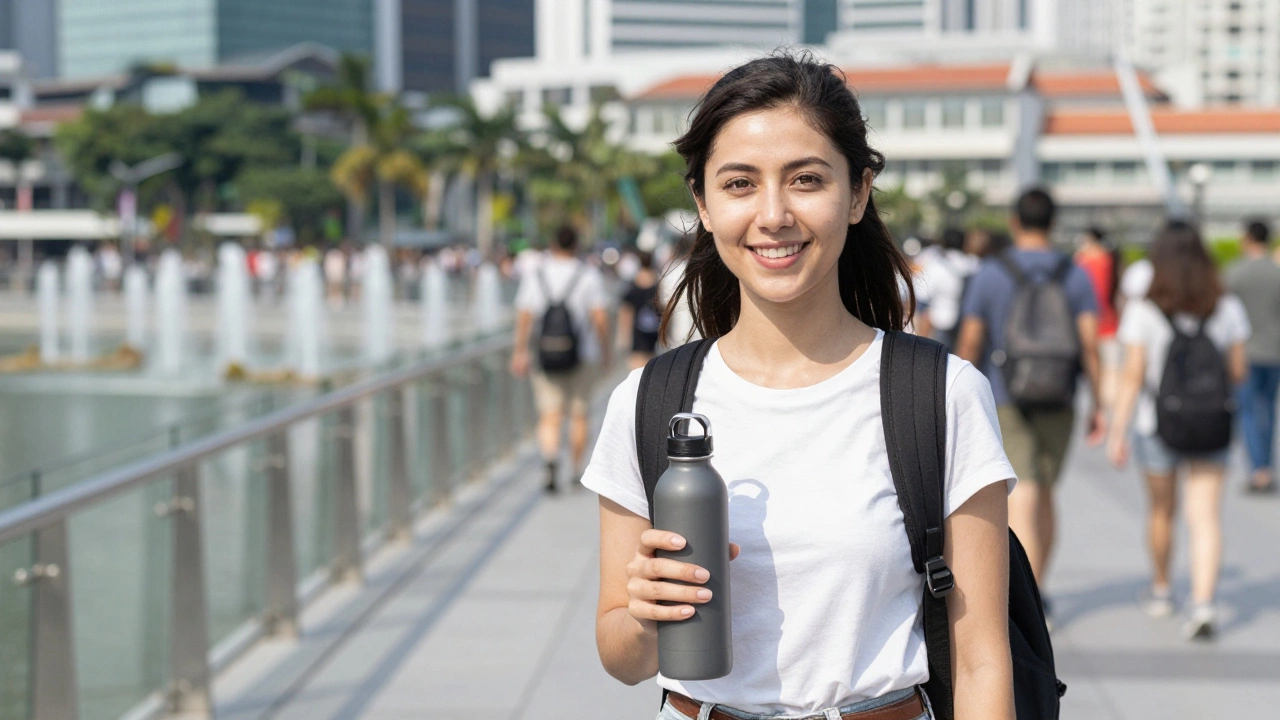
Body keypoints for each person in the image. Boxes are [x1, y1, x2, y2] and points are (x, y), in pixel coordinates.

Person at [583, 54, 1016, 720]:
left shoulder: (940, 394)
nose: (774, 214)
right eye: (740, 184)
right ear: (702, 202)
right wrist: (644, 614)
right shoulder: (649, 401)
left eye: (807, 179)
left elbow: (982, 657)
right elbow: (621, 658)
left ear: (858, 192)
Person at [955, 187, 1104, 613]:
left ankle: (1029, 600)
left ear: (1015, 222)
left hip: (1005, 394)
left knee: (1024, 490)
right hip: (1061, 394)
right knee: (1045, 491)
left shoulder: (990, 273)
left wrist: (957, 396)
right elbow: (1091, 344)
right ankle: (1040, 587)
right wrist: (1099, 403)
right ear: (1053, 223)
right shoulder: (1074, 274)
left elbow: (971, 339)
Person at [1106, 220, 1249, 639]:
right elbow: (1237, 371)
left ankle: (1163, 588)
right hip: (1211, 423)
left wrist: (1117, 431)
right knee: (1205, 515)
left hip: (1157, 424)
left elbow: (1132, 375)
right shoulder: (1226, 306)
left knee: (1161, 511)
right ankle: (1203, 603)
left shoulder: (1144, 308)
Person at [510, 225, 611, 492]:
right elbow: (599, 317)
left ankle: (551, 459)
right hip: (584, 354)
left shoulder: (537, 274)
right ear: (576, 245)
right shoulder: (588, 275)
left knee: (550, 415)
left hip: (545, 354)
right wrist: (605, 352)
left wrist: (520, 350)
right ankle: (576, 470)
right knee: (579, 415)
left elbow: (524, 315)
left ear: (553, 245)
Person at [1225, 219, 1280, 493]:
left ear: (1247, 238)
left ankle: (1257, 468)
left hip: (1244, 352)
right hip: (1274, 351)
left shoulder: (1235, 273)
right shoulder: (1276, 271)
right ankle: (1267, 467)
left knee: (1248, 412)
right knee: (1268, 410)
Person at [1074, 226, 1121, 409]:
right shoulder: (1110, 259)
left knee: (1092, 370)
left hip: (1087, 324)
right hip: (1110, 322)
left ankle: (1097, 409)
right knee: (1110, 372)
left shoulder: (1081, 262)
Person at [919, 227, 977, 348]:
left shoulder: (936, 265)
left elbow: (923, 297)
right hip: (967, 323)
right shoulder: (973, 264)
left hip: (941, 321)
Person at [615, 251, 662, 370]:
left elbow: (626, 313)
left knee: (636, 375)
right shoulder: (659, 282)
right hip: (654, 333)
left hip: (637, 335)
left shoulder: (633, 284)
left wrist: (623, 337)